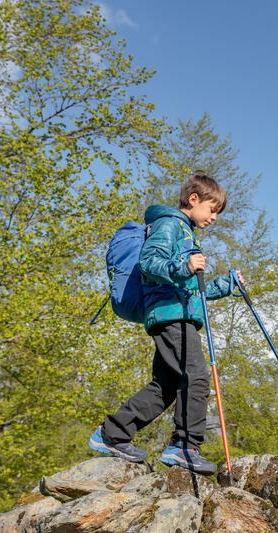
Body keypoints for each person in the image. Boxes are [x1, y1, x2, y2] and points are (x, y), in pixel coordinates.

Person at [88, 171, 244, 475]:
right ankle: (185, 446)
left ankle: (113, 434)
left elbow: (190, 290)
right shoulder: (170, 225)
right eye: (212, 210)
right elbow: (149, 262)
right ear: (194, 199)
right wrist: (183, 264)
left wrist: (226, 285)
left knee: (167, 385)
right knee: (196, 376)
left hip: (176, 312)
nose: (214, 218)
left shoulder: (185, 232)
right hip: (171, 316)